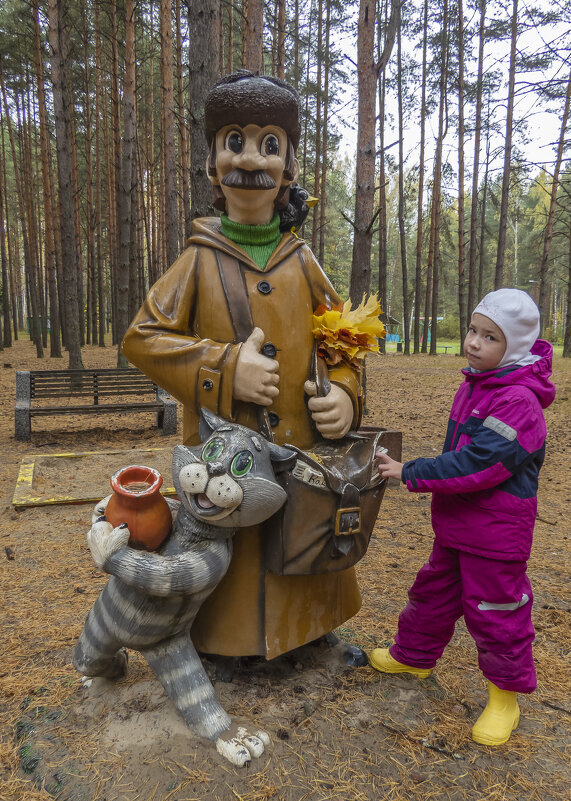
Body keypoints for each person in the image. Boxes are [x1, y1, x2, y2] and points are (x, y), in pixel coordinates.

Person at [122, 71, 364, 662]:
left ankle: (311, 632)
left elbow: (345, 343)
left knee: (303, 531)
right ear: (212, 164)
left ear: (288, 170)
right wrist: (227, 369)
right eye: (234, 140)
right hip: (223, 451)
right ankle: (224, 644)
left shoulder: (303, 263)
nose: (251, 158)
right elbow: (142, 339)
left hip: (302, 447)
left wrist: (346, 395)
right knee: (232, 535)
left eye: (270, 144)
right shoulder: (197, 262)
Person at [370, 288, 556, 746]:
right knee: (433, 593)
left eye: (489, 337)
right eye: (473, 330)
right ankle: (414, 656)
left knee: (498, 611)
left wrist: (408, 470)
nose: (474, 342)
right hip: (457, 526)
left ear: (513, 347)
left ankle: (505, 698)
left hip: (496, 535)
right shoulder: (479, 383)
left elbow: (478, 464)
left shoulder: (518, 401)